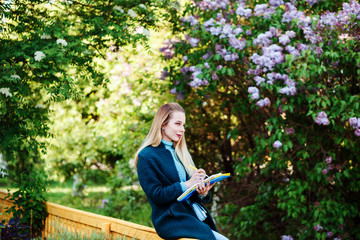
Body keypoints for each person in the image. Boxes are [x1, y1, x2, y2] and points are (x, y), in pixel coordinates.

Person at [135, 103, 228, 240]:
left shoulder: (180, 152)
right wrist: (188, 184)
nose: (182, 129)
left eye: (183, 125)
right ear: (163, 124)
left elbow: (188, 193)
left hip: (193, 217)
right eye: (178, 124)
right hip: (171, 220)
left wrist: (202, 192)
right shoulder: (146, 156)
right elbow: (156, 195)